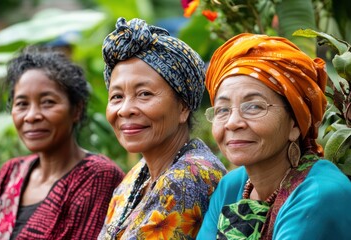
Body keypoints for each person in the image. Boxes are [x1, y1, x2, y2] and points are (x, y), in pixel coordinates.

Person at [196, 33, 351, 240]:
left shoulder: (319, 194)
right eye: (223, 110)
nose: (233, 122)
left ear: (295, 122)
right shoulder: (232, 185)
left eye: (253, 107)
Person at [0, 46, 125, 240]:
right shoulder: (10, 173)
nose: (31, 116)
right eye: (22, 104)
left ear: (76, 110)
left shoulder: (100, 177)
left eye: (47, 102)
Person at [97, 17, 227, 240]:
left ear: (183, 106)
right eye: (117, 96)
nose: (125, 109)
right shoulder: (138, 174)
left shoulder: (189, 178)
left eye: (144, 94)